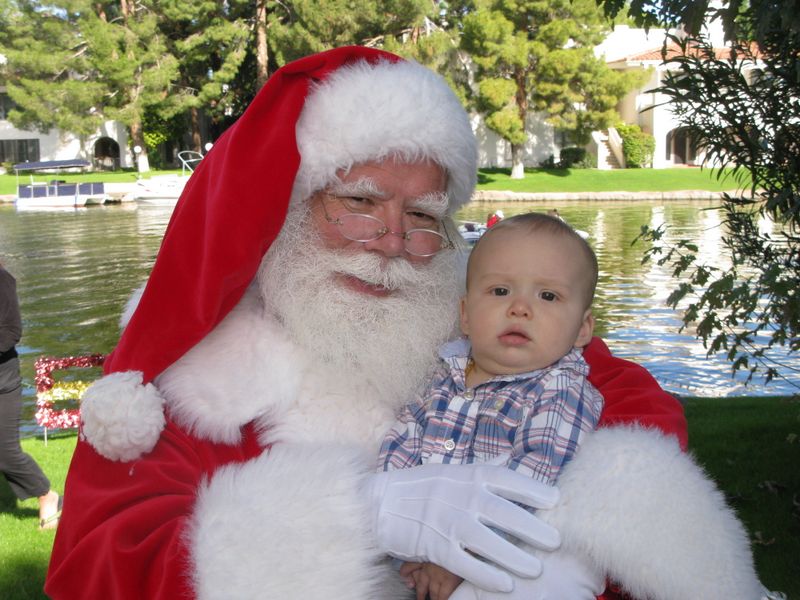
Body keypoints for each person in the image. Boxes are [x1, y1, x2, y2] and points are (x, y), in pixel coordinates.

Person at [46, 47, 763, 600]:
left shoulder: (471, 304)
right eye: (360, 202)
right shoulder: (189, 377)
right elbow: (109, 561)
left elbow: (634, 406)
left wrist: (533, 512)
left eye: (421, 216)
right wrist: (358, 516)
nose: (392, 241)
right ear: (290, 209)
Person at [380, 212, 604, 600]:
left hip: (501, 555)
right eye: (500, 291)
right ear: (465, 315)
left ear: (582, 329)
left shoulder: (560, 389)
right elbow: (399, 449)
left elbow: (531, 481)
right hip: (419, 550)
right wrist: (398, 533)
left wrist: (458, 555)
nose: (519, 308)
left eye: (547, 296)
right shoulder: (442, 377)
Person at [0, 262, 61, 530]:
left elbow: (11, 332)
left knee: (5, 452)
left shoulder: (2, 279)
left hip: (3, 380)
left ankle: (47, 495)